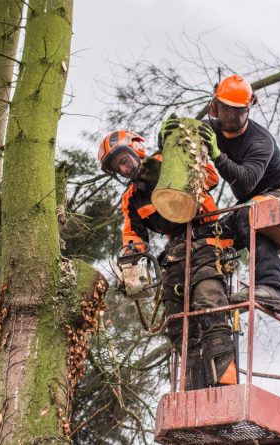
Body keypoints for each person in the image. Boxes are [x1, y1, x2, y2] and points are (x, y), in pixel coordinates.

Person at [98, 130, 237, 390]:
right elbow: (134, 235)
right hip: (174, 251)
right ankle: (194, 390)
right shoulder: (131, 198)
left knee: (209, 301)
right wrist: (130, 257)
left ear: (136, 150)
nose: (125, 168)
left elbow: (211, 176)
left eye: (124, 160)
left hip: (206, 237)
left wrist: (181, 163)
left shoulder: (168, 160)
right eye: (119, 167)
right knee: (177, 324)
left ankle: (225, 383)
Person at [163, 74, 280, 314]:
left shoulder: (260, 141)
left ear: (249, 109)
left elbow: (244, 185)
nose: (231, 116)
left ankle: (273, 288)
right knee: (207, 234)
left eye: (238, 112)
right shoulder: (209, 129)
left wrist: (218, 155)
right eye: (226, 109)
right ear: (215, 106)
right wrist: (168, 136)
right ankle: (210, 296)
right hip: (251, 202)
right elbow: (181, 144)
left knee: (249, 213)